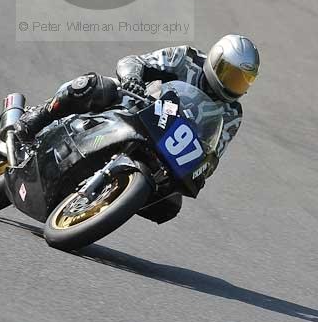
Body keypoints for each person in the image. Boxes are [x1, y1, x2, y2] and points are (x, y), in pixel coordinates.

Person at [14, 35, 260, 224]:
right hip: (137, 107)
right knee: (92, 86)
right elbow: (135, 61)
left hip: (168, 147)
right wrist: (133, 77)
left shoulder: (233, 114)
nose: (234, 84)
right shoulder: (186, 58)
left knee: (169, 205)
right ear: (215, 61)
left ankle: (111, 197)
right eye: (230, 74)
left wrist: (202, 170)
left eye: (243, 80)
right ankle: (38, 117)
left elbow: (214, 151)